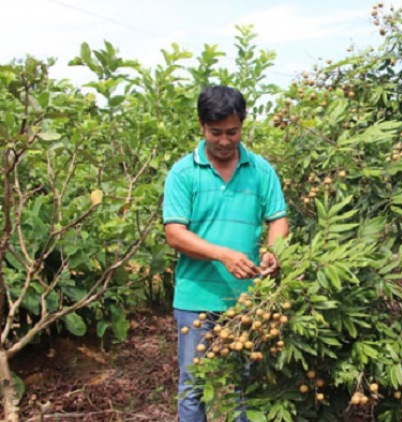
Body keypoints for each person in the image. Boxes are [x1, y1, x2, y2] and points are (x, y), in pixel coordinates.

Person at [163, 85, 289, 422]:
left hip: (249, 302)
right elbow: (174, 233)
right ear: (202, 126)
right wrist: (222, 254)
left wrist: (274, 252)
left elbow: (277, 218)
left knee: (243, 386)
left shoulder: (261, 170)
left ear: (242, 126)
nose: (223, 140)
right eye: (215, 132)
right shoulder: (183, 172)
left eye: (232, 132)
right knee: (194, 387)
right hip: (196, 298)